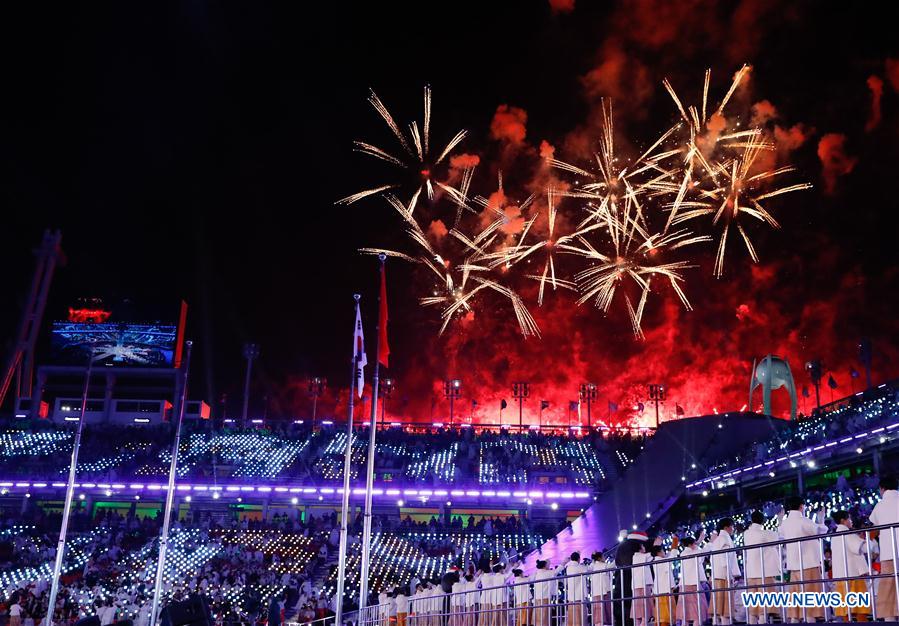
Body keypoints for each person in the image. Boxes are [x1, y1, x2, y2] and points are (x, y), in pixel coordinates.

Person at [780, 495, 827, 623]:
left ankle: (795, 620)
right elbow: (821, 531)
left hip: (793, 566)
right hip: (809, 564)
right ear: (802, 506)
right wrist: (821, 520)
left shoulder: (785, 523)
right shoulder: (804, 521)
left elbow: (780, 534)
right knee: (810, 598)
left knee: (796, 598)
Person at [743, 510, 782, 625]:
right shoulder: (765, 533)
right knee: (765, 604)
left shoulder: (747, 534)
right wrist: (779, 522)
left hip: (751, 572)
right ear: (763, 521)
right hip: (764, 572)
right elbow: (777, 539)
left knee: (753, 603)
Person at [831, 510, 870, 622]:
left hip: (841, 576)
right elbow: (862, 548)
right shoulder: (847, 533)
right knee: (860, 609)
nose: (851, 521)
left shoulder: (835, 536)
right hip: (852, 575)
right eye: (849, 519)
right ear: (843, 520)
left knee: (845, 609)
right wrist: (869, 539)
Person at [869, 475, 899, 621]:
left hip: (888, 552)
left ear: (882, 488)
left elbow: (874, 526)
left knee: (888, 587)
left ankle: (889, 619)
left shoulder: (879, 506)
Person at [708, 518, 741, 625]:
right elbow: (724, 558)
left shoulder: (719, 539)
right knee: (725, 606)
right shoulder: (724, 538)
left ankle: (717, 622)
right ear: (727, 527)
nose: (733, 528)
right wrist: (729, 575)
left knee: (719, 604)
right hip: (724, 575)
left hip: (719, 574)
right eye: (732, 526)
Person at [676, 532, 709, 626]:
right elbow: (704, 551)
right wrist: (702, 540)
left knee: (686, 613)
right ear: (691, 544)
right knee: (697, 612)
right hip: (693, 585)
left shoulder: (683, 553)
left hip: (684, 585)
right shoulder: (693, 552)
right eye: (694, 543)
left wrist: (698, 541)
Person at [651, 540, 676, 626]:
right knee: (666, 613)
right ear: (659, 553)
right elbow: (672, 555)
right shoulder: (662, 561)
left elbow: (669, 555)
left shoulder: (656, 561)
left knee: (661, 612)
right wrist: (675, 542)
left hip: (660, 590)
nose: (664, 552)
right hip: (665, 590)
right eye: (662, 551)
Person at [630, 543, 653, 626]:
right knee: (644, 608)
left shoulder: (636, 557)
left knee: (638, 608)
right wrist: (656, 545)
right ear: (639, 549)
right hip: (642, 584)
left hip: (638, 585)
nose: (644, 547)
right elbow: (651, 555)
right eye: (643, 546)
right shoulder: (639, 556)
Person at [562, 552, 587, 626]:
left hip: (571, 596)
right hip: (579, 595)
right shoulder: (580, 567)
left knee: (572, 615)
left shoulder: (568, 568)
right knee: (580, 615)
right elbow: (587, 570)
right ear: (579, 559)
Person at [588, 552, 612, 626]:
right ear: (599, 558)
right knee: (607, 607)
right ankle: (606, 622)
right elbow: (612, 566)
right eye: (603, 556)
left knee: (598, 608)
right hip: (605, 589)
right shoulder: (604, 565)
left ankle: (599, 622)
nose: (604, 558)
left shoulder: (592, 566)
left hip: (596, 591)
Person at [532, 560, 557, 626]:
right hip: (545, 597)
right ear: (545, 566)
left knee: (538, 617)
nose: (549, 565)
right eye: (548, 564)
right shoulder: (547, 573)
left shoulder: (537, 573)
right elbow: (556, 571)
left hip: (537, 598)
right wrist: (564, 563)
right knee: (545, 617)